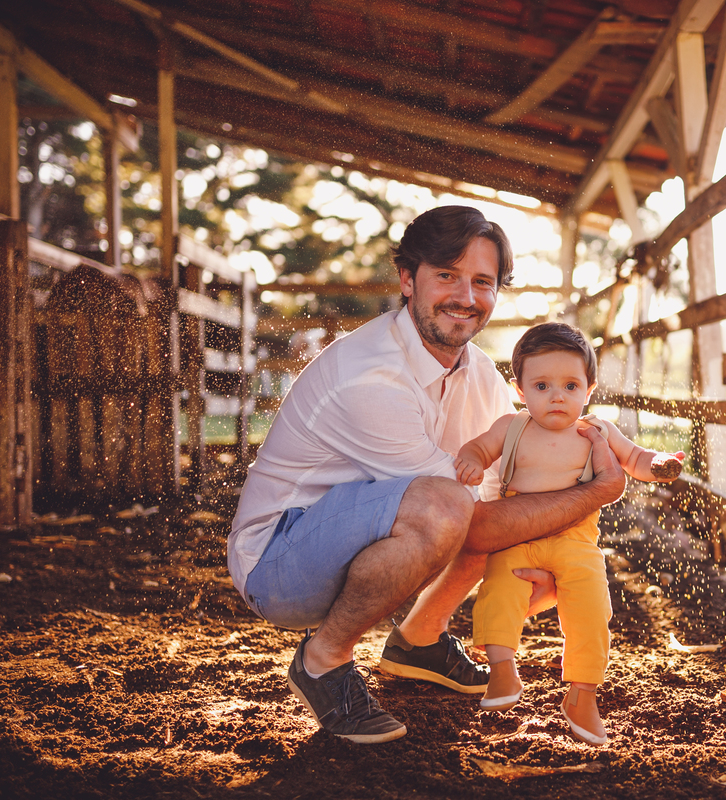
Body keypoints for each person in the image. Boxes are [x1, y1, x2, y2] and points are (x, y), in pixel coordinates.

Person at [227, 206, 626, 744]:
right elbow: (473, 522)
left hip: (355, 533)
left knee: (477, 503)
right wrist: (598, 491)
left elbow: (496, 506)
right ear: (407, 280)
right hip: (279, 563)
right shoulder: (369, 374)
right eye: (446, 275)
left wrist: (553, 563)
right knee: (448, 506)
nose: (465, 296)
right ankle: (322, 661)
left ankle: (419, 639)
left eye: (482, 281)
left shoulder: (480, 375)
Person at [454, 322, 684, 745]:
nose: (557, 396)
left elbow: (634, 458)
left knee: (592, 606)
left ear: (589, 390)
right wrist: (470, 459)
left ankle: (582, 694)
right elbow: (479, 448)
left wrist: (658, 464)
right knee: (498, 590)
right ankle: (502, 671)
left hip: (576, 538)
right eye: (542, 386)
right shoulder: (512, 427)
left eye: (570, 385)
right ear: (520, 389)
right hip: (516, 534)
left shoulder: (597, 431)